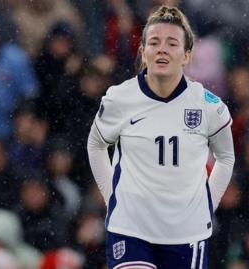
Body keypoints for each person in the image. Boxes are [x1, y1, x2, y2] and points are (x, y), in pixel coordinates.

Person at [86, 5, 235, 269]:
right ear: (143, 53)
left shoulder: (208, 105)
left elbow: (226, 157)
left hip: (186, 233)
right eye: (154, 42)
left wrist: (208, 203)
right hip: (131, 228)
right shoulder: (119, 99)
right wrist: (112, 197)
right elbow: (96, 144)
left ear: (187, 55)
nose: (162, 49)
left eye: (172, 43)